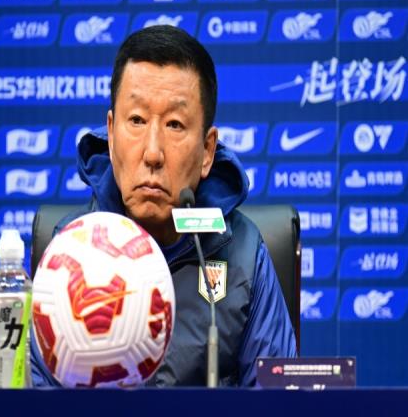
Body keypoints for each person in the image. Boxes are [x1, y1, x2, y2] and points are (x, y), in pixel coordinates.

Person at [32, 25, 297, 387]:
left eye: (174, 124)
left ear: (207, 151)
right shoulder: (67, 258)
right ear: (111, 133)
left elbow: (279, 401)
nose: (153, 153)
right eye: (136, 120)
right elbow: (35, 401)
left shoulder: (244, 254)